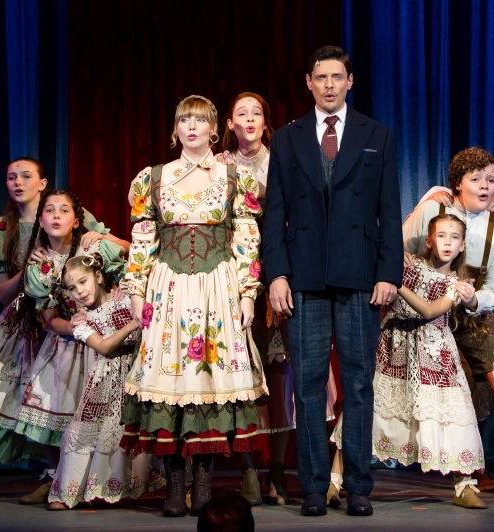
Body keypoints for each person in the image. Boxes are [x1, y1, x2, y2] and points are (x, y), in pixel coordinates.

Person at [263, 45, 403, 517]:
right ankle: (313, 488)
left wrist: (389, 274)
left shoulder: (376, 135)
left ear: (349, 81)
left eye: (336, 77)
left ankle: (359, 486)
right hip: (303, 278)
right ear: (308, 82)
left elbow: (389, 210)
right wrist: (277, 274)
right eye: (320, 77)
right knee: (307, 387)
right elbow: (274, 215)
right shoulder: (286, 138)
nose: (328, 84)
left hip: (360, 277)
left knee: (359, 385)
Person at [118, 95, 267, 518]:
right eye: (184, 119)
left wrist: (247, 293)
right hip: (168, 289)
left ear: (214, 128)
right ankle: (174, 485)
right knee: (171, 377)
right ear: (175, 128)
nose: (191, 127)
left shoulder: (234, 177)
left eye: (199, 121)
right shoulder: (153, 178)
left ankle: (203, 484)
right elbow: (144, 238)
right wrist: (135, 292)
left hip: (216, 288)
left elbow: (246, 239)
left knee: (209, 381)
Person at [0, 158, 113, 501]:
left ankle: (54, 477)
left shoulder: (64, 212)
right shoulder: (1, 227)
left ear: (42, 182)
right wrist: (32, 268)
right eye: (11, 177)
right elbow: (5, 293)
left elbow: (104, 252)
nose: (18, 182)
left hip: (62, 319)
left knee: (52, 398)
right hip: (21, 318)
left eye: (26, 176)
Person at [218, 92, 337, 506]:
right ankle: (249, 471)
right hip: (233, 281)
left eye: (256, 113)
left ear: (265, 122)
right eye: (241, 114)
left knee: (285, 376)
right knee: (243, 377)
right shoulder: (219, 167)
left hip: (281, 275)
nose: (249, 119)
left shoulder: (282, 157)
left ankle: (278, 474)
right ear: (230, 124)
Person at [402, 148, 494, 501]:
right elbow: (403, 246)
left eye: (490, 180)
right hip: (429, 309)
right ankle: (464, 475)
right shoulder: (436, 206)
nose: (486, 186)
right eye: (477, 179)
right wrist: (425, 202)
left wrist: (477, 299)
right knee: (462, 389)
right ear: (460, 183)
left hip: (471, 313)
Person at [332, 214, 487, 509]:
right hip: (395, 348)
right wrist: (393, 266)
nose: (447, 242)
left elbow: (430, 311)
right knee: (371, 407)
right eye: (441, 236)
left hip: (435, 354)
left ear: (462, 245)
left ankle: (463, 485)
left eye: (454, 237)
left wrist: (394, 281)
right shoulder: (409, 265)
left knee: (448, 415)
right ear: (429, 240)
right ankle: (334, 480)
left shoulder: (457, 284)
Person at [10, 190, 128, 505]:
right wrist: (75, 327)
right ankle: (59, 479)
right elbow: (48, 317)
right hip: (70, 340)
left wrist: (106, 238)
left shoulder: (92, 247)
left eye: (64, 210)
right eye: (50, 210)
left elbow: (133, 254)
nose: (57, 215)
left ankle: (97, 483)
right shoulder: (41, 266)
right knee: (59, 412)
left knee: (106, 419)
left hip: (108, 338)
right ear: (41, 220)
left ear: (76, 221)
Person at [45, 253, 164, 509]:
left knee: (128, 430)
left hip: (134, 377)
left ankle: (125, 485)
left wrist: (131, 297)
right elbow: (105, 347)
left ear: (98, 277)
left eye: (83, 282)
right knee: (88, 432)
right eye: (72, 288)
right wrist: (134, 323)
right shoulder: (81, 322)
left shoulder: (123, 297)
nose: (79, 291)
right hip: (103, 381)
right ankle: (69, 491)